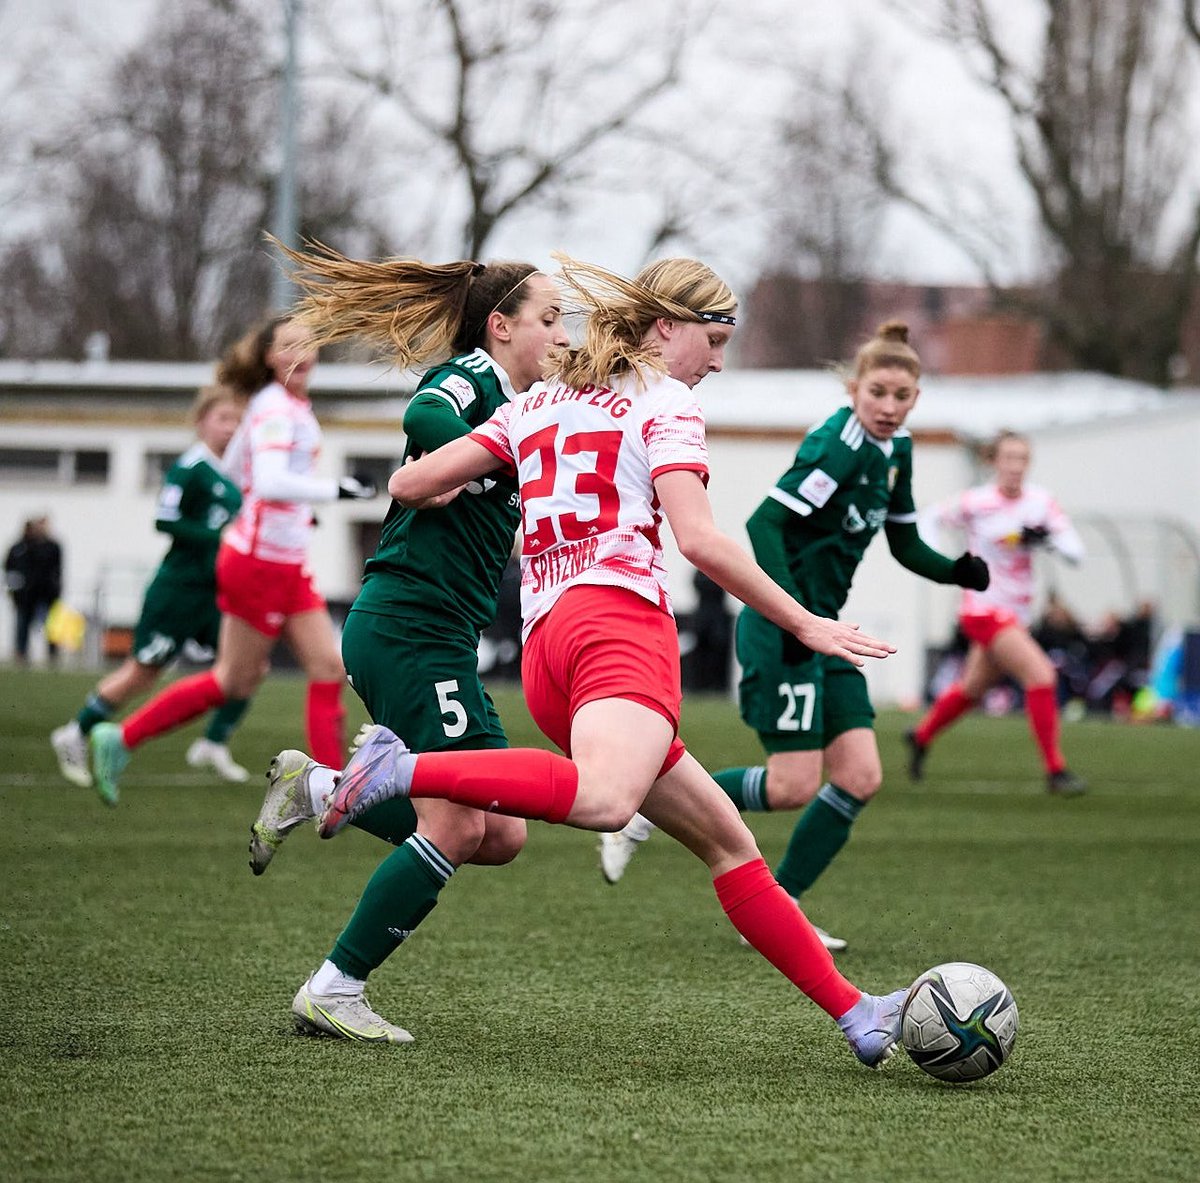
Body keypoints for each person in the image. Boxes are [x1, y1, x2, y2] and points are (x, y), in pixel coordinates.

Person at [307, 255, 915, 1069]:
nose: (719, 362)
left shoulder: (540, 402)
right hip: (617, 632)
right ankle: (402, 770)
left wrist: (464, 476)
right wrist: (806, 622)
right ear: (665, 328)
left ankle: (856, 1012)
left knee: (733, 849)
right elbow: (698, 539)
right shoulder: (665, 402)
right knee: (602, 802)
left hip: (548, 646)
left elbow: (415, 482)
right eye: (714, 339)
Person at [245, 247, 570, 1044]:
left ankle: (321, 790)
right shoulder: (476, 379)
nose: (563, 335)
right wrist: (463, 460)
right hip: (407, 627)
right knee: (458, 825)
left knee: (503, 833)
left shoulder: (525, 406)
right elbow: (427, 413)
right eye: (551, 319)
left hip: (436, 637)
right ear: (501, 327)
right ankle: (334, 987)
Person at [597, 321, 991, 955]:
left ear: (916, 397)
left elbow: (903, 539)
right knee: (791, 787)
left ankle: (783, 908)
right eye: (878, 394)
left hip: (826, 631)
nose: (889, 408)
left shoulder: (898, 451)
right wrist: (794, 618)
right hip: (787, 629)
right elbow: (766, 523)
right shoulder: (837, 447)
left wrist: (955, 571)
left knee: (860, 775)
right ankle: (645, 803)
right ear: (855, 389)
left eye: (903, 396)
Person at [87, 315, 377, 805]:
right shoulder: (275, 409)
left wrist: (282, 513)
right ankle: (119, 738)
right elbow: (267, 481)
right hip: (258, 565)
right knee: (232, 679)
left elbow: (240, 470)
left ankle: (332, 791)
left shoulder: (281, 406)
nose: (300, 353)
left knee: (328, 669)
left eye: (308, 344)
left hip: (284, 561)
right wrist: (336, 490)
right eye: (288, 345)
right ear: (269, 356)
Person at [50, 385, 255, 788]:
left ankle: (213, 742)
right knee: (143, 672)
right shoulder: (190, 467)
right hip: (179, 590)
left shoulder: (233, 473)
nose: (231, 428)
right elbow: (164, 520)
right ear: (201, 423)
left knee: (250, 665)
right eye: (223, 419)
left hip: (218, 592)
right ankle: (75, 731)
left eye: (237, 420)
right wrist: (220, 535)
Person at [906, 429, 1087, 794]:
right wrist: (943, 564)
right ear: (995, 461)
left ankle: (920, 735)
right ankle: (1055, 770)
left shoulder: (1040, 502)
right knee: (1041, 676)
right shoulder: (976, 501)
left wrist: (1048, 538)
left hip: (1016, 613)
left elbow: (1076, 551)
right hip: (983, 609)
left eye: (1022, 459)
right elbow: (927, 521)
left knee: (973, 688)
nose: (1015, 466)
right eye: (1009, 458)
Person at [5, 516, 63, 664]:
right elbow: (10, 569)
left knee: (50, 626)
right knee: (23, 624)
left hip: (47, 594)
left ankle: (52, 654)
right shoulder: (20, 548)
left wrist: (55, 589)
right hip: (26, 596)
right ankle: (21, 653)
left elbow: (56, 570)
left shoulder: (51, 547)